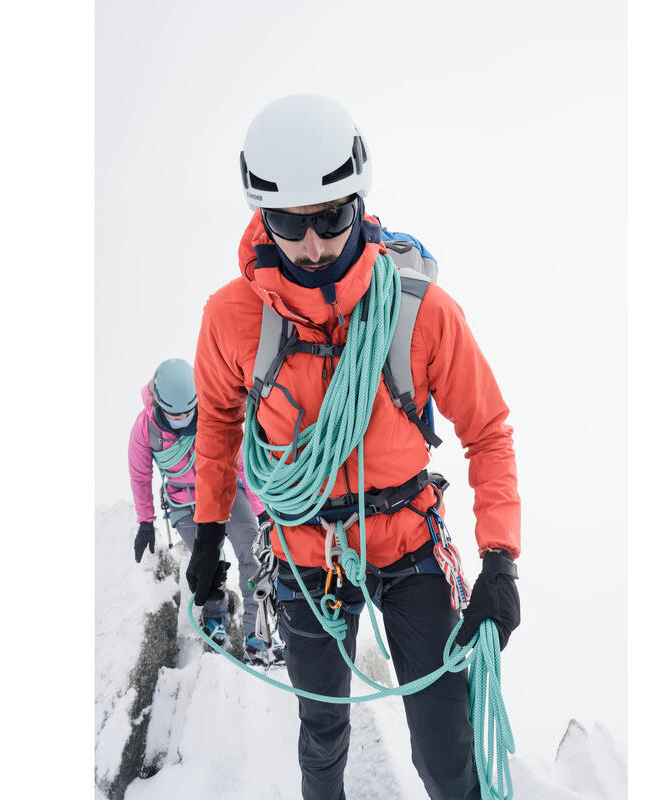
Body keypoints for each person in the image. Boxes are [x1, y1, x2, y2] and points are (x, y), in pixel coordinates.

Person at [188, 95, 520, 800]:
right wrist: (210, 535)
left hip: (407, 541)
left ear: (358, 202)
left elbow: (488, 431)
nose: (312, 247)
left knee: (444, 747)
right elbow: (217, 423)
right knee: (322, 732)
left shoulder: (418, 309)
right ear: (261, 216)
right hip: (308, 552)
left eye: (331, 218)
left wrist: (500, 559)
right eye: (288, 224)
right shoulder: (232, 319)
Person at [128, 357, 284, 665]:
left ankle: (259, 635)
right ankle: (215, 619)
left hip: (227, 493)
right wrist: (146, 521)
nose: (183, 417)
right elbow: (140, 474)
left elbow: (240, 463)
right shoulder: (145, 429)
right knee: (211, 561)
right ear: (158, 403)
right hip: (185, 502)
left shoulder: (211, 414)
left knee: (250, 550)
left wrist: (261, 512)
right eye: (175, 413)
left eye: (188, 410)